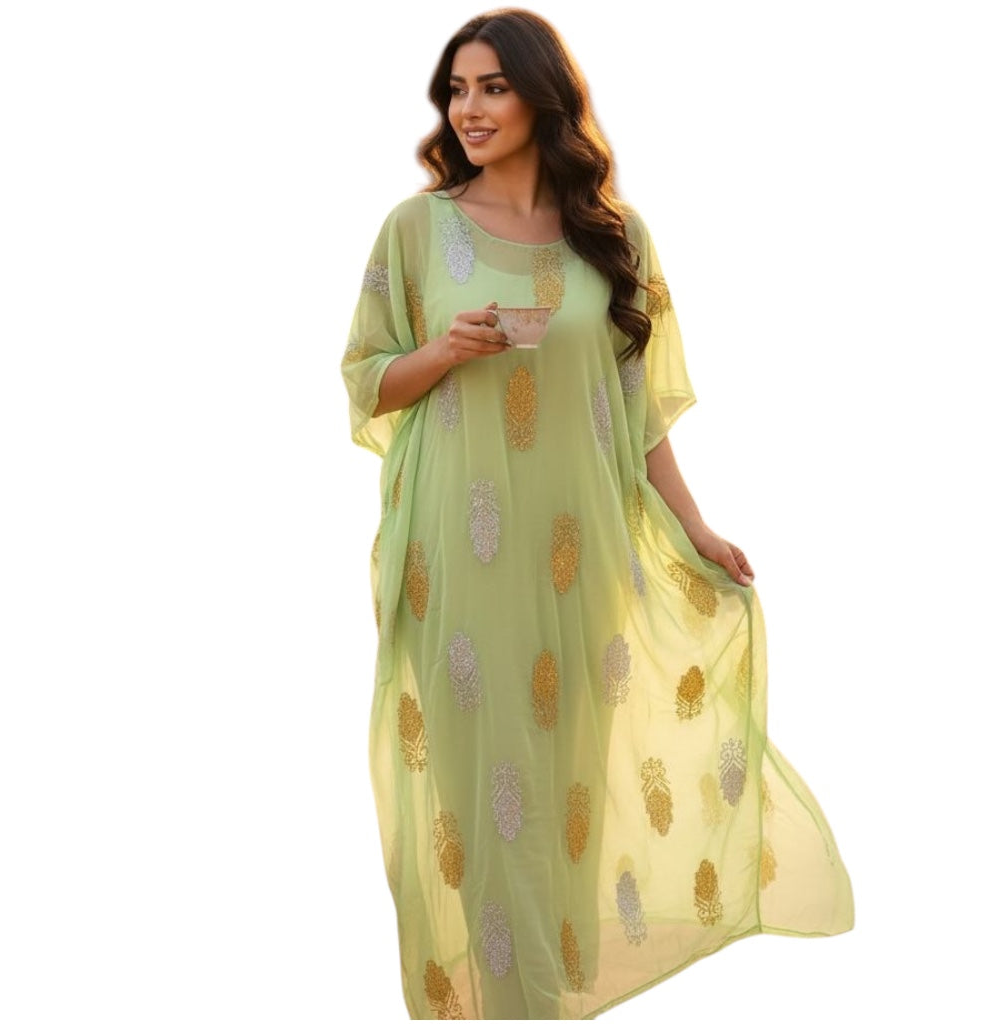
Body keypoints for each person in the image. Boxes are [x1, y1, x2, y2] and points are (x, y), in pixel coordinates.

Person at [341, 8, 853, 1019]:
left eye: (492, 87)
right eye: (457, 89)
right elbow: (366, 379)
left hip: (581, 557)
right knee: (485, 791)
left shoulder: (613, 237)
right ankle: (510, 1004)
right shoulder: (416, 229)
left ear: (543, 96)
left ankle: (545, 998)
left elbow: (637, 409)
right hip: (458, 554)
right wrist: (444, 350)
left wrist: (696, 528)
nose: (469, 108)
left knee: (564, 784)